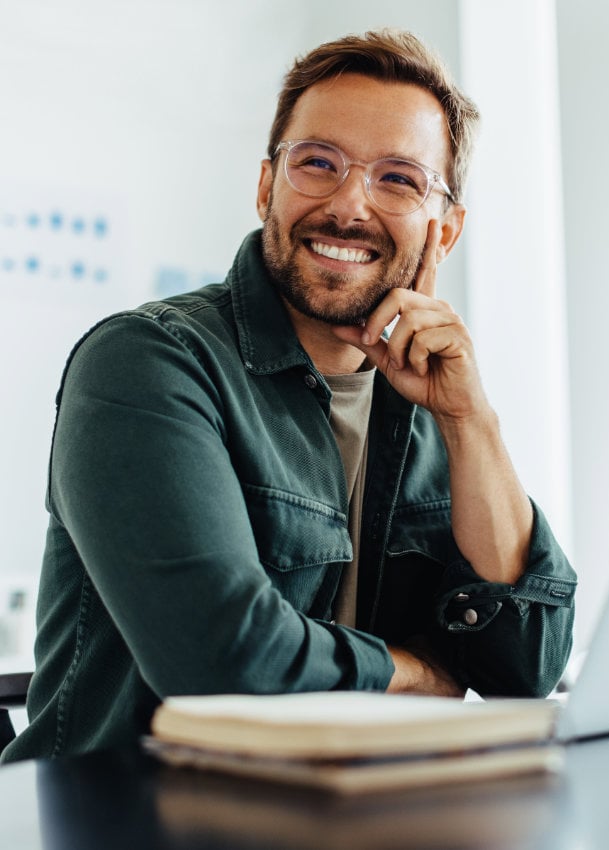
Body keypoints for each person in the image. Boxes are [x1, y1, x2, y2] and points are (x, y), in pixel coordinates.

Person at [2, 29, 576, 762]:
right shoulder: (146, 363)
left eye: (398, 179)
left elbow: (528, 664)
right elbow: (224, 662)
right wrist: (421, 672)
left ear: (446, 228)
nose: (349, 205)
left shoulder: (432, 401)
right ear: (267, 185)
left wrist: (471, 421)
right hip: (131, 820)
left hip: (353, 812)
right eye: (319, 164)